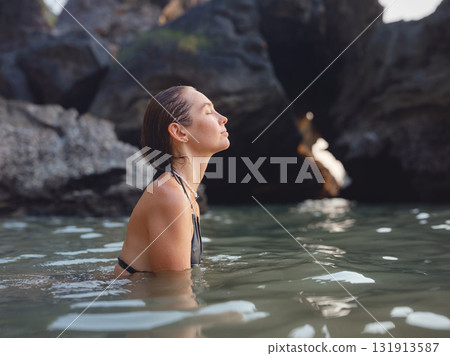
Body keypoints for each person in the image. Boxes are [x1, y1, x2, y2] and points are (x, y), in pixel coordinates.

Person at [114, 85, 229, 278]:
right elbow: (173, 295)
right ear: (180, 132)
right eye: (208, 111)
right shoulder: (171, 197)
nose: (223, 118)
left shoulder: (186, 195)